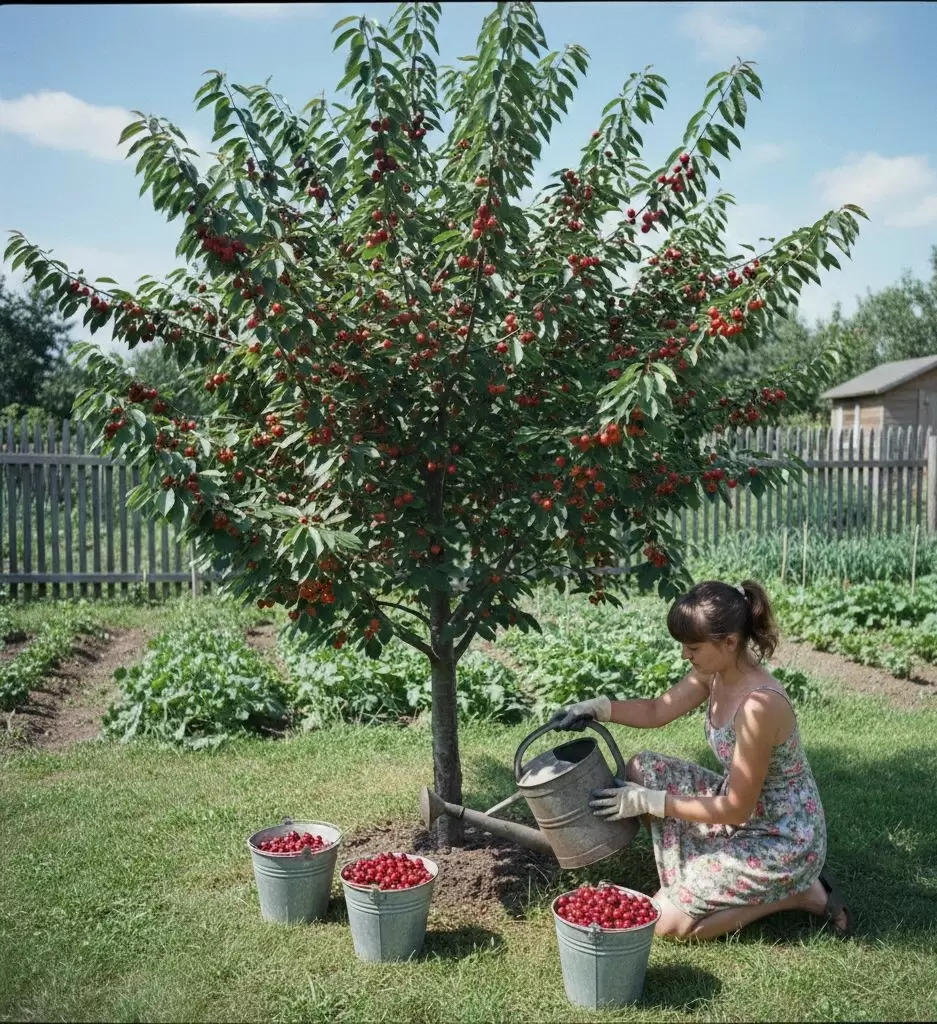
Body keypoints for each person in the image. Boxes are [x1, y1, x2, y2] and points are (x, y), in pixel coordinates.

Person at [549, 579, 854, 941]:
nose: (684, 655)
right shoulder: (714, 674)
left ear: (729, 642)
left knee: (665, 923)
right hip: (742, 813)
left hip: (782, 836)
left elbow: (737, 808)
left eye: (693, 647)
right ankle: (714, 871)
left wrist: (653, 803)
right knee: (642, 769)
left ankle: (798, 893)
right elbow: (656, 710)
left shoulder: (759, 706)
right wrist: (598, 708)